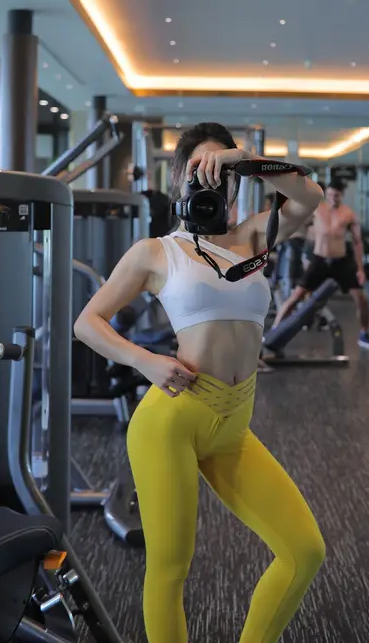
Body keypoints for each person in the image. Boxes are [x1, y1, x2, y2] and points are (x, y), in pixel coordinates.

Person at [74, 122, 325, 643]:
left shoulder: (253, 236)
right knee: (171, 568)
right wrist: (144, 361)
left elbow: (310, 195)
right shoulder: (156, 252)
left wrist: (243, 159)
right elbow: (87, 322)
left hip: (234, 423)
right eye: (199, 168)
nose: (212, 177)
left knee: (304, 551)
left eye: (221, 170)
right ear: (179, 178)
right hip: (172, 420)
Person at [272, 179, 369, 350]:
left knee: (362, 299)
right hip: (319, 260)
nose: (332, 198)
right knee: (296, 296)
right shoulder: (316, 210)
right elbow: (297, 224)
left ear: (342, 195)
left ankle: (364, 334)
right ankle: (274, 331)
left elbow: (357, 242)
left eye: (336, 195)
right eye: (329, 195)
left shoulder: (349, 214)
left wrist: (360, 269)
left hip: (341, 261)